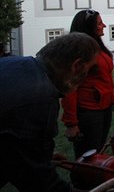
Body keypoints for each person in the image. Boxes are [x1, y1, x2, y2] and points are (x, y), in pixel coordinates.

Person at [0, 33, 100, 192]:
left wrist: (37, 154)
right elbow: (41, 183)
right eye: (90, 69)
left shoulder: (16, 64)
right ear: (77, 66)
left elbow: (13, 150)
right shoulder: (39, 98)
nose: (88, 76)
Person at [61, 9, 114, 159]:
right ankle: (83, 182)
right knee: (88, 154)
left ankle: (96, 180)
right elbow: (70, 89)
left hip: (104, 107)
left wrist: (113, 101)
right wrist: (71, 123)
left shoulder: (97, 48)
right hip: (88, 111)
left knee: (99, 149)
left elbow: (105, 78)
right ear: (89, 27)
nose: (104, 26)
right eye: (100, 23)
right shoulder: (78, 52)